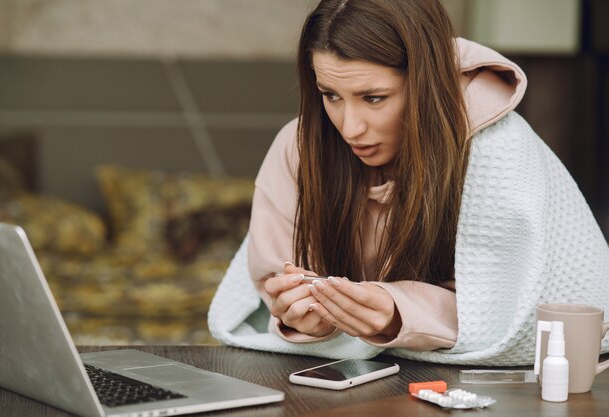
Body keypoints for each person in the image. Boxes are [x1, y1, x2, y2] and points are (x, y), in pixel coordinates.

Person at [209, 0, 609, 364]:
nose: (350, 127)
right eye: (330, 95)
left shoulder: (497, 153)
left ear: (425, 83)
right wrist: (305, 318)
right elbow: (274, 280)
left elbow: (512, 307)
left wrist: (399, 310)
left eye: (374, 98)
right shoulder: (299, 147)